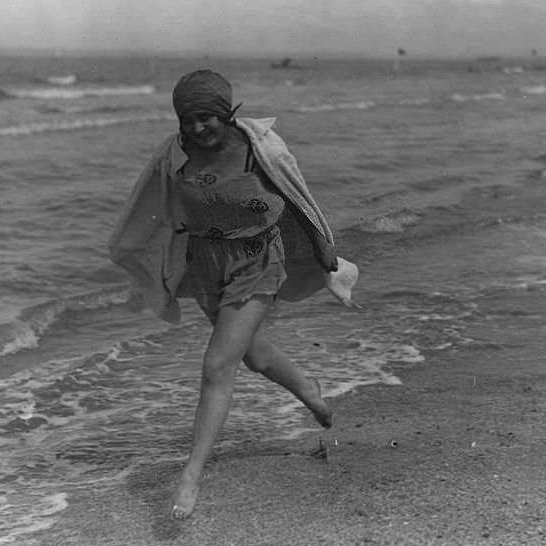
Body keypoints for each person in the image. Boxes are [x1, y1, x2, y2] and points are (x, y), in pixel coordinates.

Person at [107, 69, 359, 520]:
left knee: (217, 364)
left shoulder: (260, 149)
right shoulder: (173, 154)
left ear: (226, 113)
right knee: (253, 356)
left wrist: (327, 258)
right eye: (187, 119)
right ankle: (308, 388)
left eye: (206, 117)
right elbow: (150, 207)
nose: (197, 127)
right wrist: (142, 262)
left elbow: (300, 199)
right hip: (205, 263)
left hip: (259, 259)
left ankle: (192, 474)